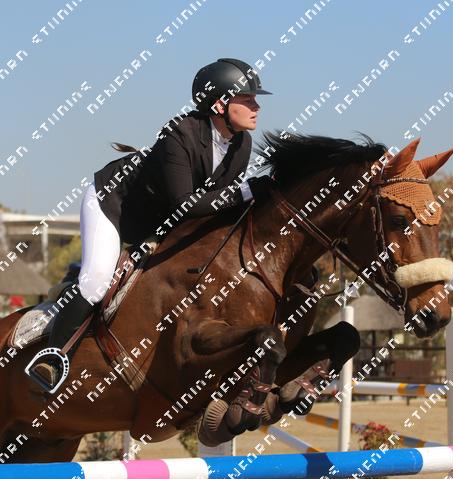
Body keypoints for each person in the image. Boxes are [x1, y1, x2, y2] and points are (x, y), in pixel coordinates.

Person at [26, 58, 274, 392]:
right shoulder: (180, 134)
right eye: (247, 99)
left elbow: (216, 206)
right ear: (219, 104)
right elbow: (185, 204)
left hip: (159, 220)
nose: (256, 106)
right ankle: (51, 360)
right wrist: (245, 192)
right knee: (97, 281)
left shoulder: (241, 143)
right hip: (113, 205)